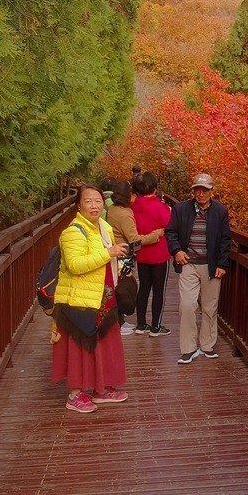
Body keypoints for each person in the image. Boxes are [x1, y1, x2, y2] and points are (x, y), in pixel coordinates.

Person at [51, 183, 129, 414]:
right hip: (79, 300)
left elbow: (111, 256)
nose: (94, 206)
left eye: (98, 201)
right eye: (88, 201)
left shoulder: (103, 226)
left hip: (102, 296)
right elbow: (75, 265)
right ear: (79, 205)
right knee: (80, 346)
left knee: (102, 344)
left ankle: (100, 388)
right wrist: (109, 253)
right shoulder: (73, 232)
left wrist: (122, 263)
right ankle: (75, 394)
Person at [165, 172, 230, 365]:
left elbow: (226, 239)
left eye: (205, 190)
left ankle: (207, 345)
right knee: (187, 305)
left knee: (210, 307)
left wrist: (222, 264)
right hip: (188, 263)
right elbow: (170, 232)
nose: (200, 194)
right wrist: (176, 251)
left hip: (211, 265)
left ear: (211, 191)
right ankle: (188, 348)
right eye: (197, 190)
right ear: (192, 191)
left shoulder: (220, 211)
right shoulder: (181, 209)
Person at [105, 180, 166, 336]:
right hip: (123, 255)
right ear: (128, 195)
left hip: (116, 252)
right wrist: (156, 235)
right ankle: (118, 322)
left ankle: (126, 322)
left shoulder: (112, 209)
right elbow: (134, 240)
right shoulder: (124, 215)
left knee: (121, 286)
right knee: (123, 288)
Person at [131, 171, 172, 337]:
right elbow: (170, 226)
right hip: (159, 254)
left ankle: (141, 324)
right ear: (155, 188)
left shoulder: (132, 207)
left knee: (144, 288)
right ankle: (156, 326)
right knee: (159, 290)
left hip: (141, 254)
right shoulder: (159, 207)